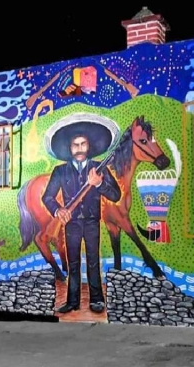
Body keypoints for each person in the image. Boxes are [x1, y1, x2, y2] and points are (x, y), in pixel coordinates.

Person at [41, 113, 121, 314]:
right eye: (75, 144)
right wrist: (58, 210)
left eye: (82, 144)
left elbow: (116, 195)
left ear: (89, 146)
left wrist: (100, 183)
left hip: (92, 222)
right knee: (73, 262)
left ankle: (96, 300)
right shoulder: (60, 171)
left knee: (93, 260)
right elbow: (47, 197)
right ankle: (72, 301)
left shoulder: (98, 169)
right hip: (72, 223)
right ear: (69, 148)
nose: (79, 148)